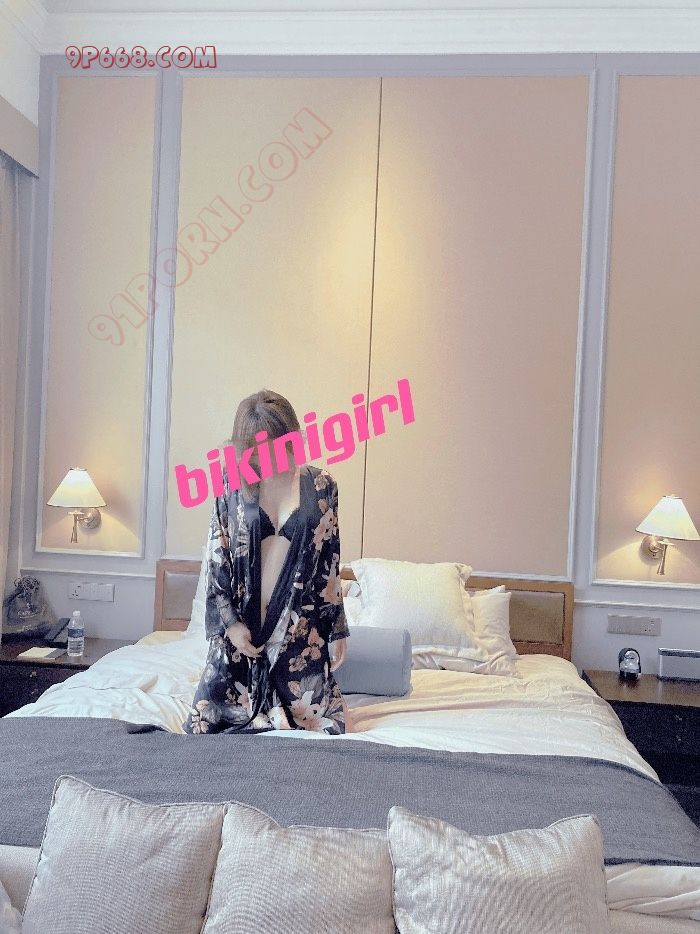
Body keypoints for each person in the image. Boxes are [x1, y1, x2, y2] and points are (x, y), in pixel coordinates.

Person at [183, 389, 350, 735]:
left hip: (299, 636)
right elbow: (218, 557)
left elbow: (330, 563)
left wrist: (336, 630)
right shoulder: (231, 485)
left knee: (325, 725)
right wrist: (231, 625)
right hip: (241, 637)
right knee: (205, 723)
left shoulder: (322, 487)